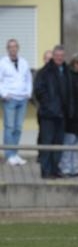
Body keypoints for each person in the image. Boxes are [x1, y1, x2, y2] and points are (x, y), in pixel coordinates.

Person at [34, 45, 73, 179]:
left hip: (62, 115)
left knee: (58, 144)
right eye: (57, 55)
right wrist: (50, 106)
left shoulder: (67, 70)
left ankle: (55, 170)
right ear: (53, 56)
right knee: (47, 143)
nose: (59, 58)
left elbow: (70, 92)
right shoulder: (44, 72)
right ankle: (46, 171)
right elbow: (39, 91)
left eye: (62, 55)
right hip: (48, 115)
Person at [0, 38, 33, 166]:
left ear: (18, 48)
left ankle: (15, 153)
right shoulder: (2, 63)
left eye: (15, 47)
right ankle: (9, 155)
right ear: (7, 49)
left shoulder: (24, 62)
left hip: (22, 98)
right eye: (10, 47)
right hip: (10, 98)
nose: (13, 49)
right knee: (9, 127)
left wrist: (28, 93)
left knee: (18, 128)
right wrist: (4, 94)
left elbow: (28, 79)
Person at [59, 53, 78, 177]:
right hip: (71, 118)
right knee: (68, 144)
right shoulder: (69, 77)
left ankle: (75, 168)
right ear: (75, 64)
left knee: (77, 145)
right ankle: (65, 168)